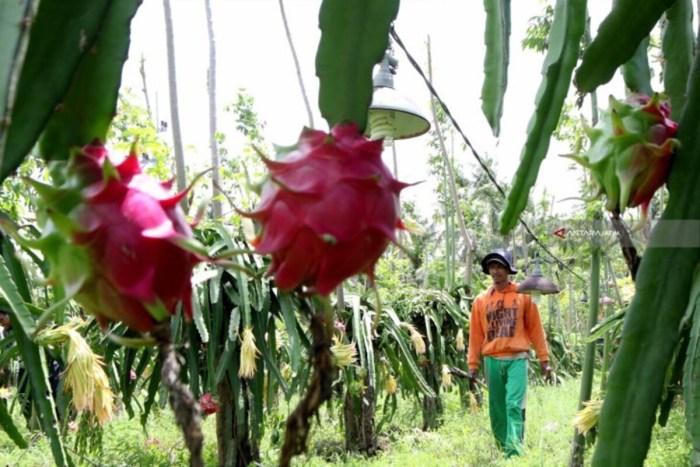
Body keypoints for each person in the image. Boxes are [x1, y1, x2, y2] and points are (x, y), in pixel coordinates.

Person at [467, 248, 552, 458]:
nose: (495, 271)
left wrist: (544, 359)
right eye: (492, 267)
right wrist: (472, 365)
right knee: (497, 411)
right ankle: (503, 446)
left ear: (508, 269)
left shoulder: (522, 295)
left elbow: (535, 328)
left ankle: (513, 454)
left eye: (499, 266)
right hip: (492, 361)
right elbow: (476, 335)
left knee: (514, 405)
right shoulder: (481, 300)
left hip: (517, 359)